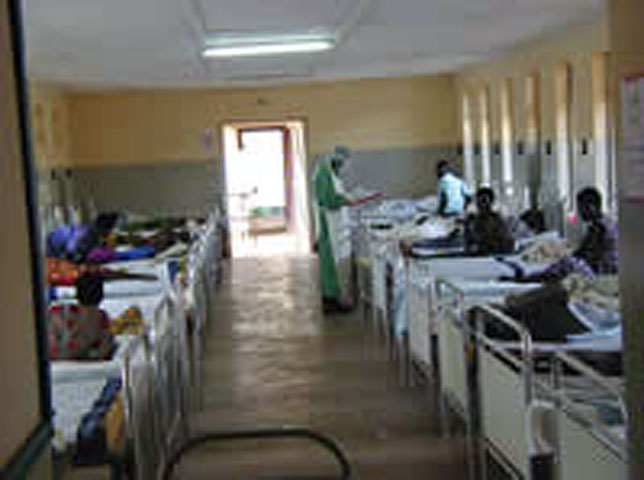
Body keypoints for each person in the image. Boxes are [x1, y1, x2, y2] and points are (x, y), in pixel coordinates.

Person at [514, 187, 618, 282]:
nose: (579, 213)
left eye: (581, 208)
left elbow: (584, 255)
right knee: (565, 262)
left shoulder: (599, 228)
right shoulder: (606, 222)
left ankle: (530, 279)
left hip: (601, 273)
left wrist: (562, 260)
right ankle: (534, 277)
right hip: (605, 269)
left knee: (568, 263)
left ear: (591, 207)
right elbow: (583, 251)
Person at [49, 273, 115, 360]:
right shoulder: (101, 319)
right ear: (101, 296)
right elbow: (104, 350)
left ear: (76, 294)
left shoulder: (57, 313)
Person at [464, 187, 515, 255]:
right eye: (478, 201)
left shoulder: (498, 220)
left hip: (493, 257)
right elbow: (467, 243)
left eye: (484, 200)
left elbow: (508, 243)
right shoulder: (471, 221)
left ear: (491, 202)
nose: (481, 204)